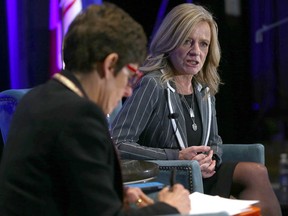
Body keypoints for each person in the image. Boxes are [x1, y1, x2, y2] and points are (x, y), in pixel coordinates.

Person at [0, 2, 191, 216]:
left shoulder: (36, 99)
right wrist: (169, 207)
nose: (128, 91)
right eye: (130, 77)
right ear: (110, 65)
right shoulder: (80, 116)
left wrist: (114, 197)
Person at [111, 3, 282, 216]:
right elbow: (117, 144)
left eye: (203, 44)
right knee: (254, 179)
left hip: (203, 175)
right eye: (187, 42)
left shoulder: (203, 89)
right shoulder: (153, 85)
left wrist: (212, 160)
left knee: (257, 172)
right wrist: (177, 156)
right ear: (170, 42)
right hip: (171, 179)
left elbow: (215, 142)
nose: (196, 52)